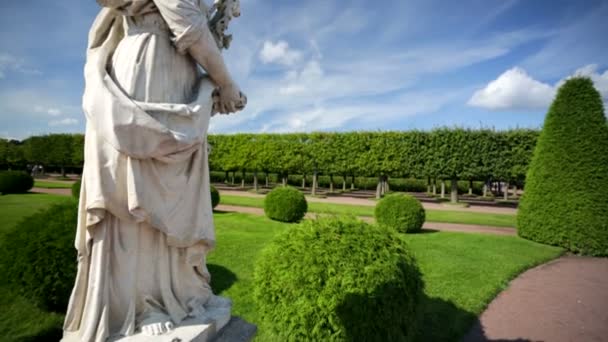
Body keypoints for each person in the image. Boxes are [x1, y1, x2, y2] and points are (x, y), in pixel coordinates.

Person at [62, 1, 245, 340]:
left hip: (168, 67)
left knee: (160, 189)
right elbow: (187, 22)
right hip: (151, 64)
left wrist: (210, 82)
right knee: (138, 187)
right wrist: (226, 82)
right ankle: (142, 304)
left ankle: (176, 293)